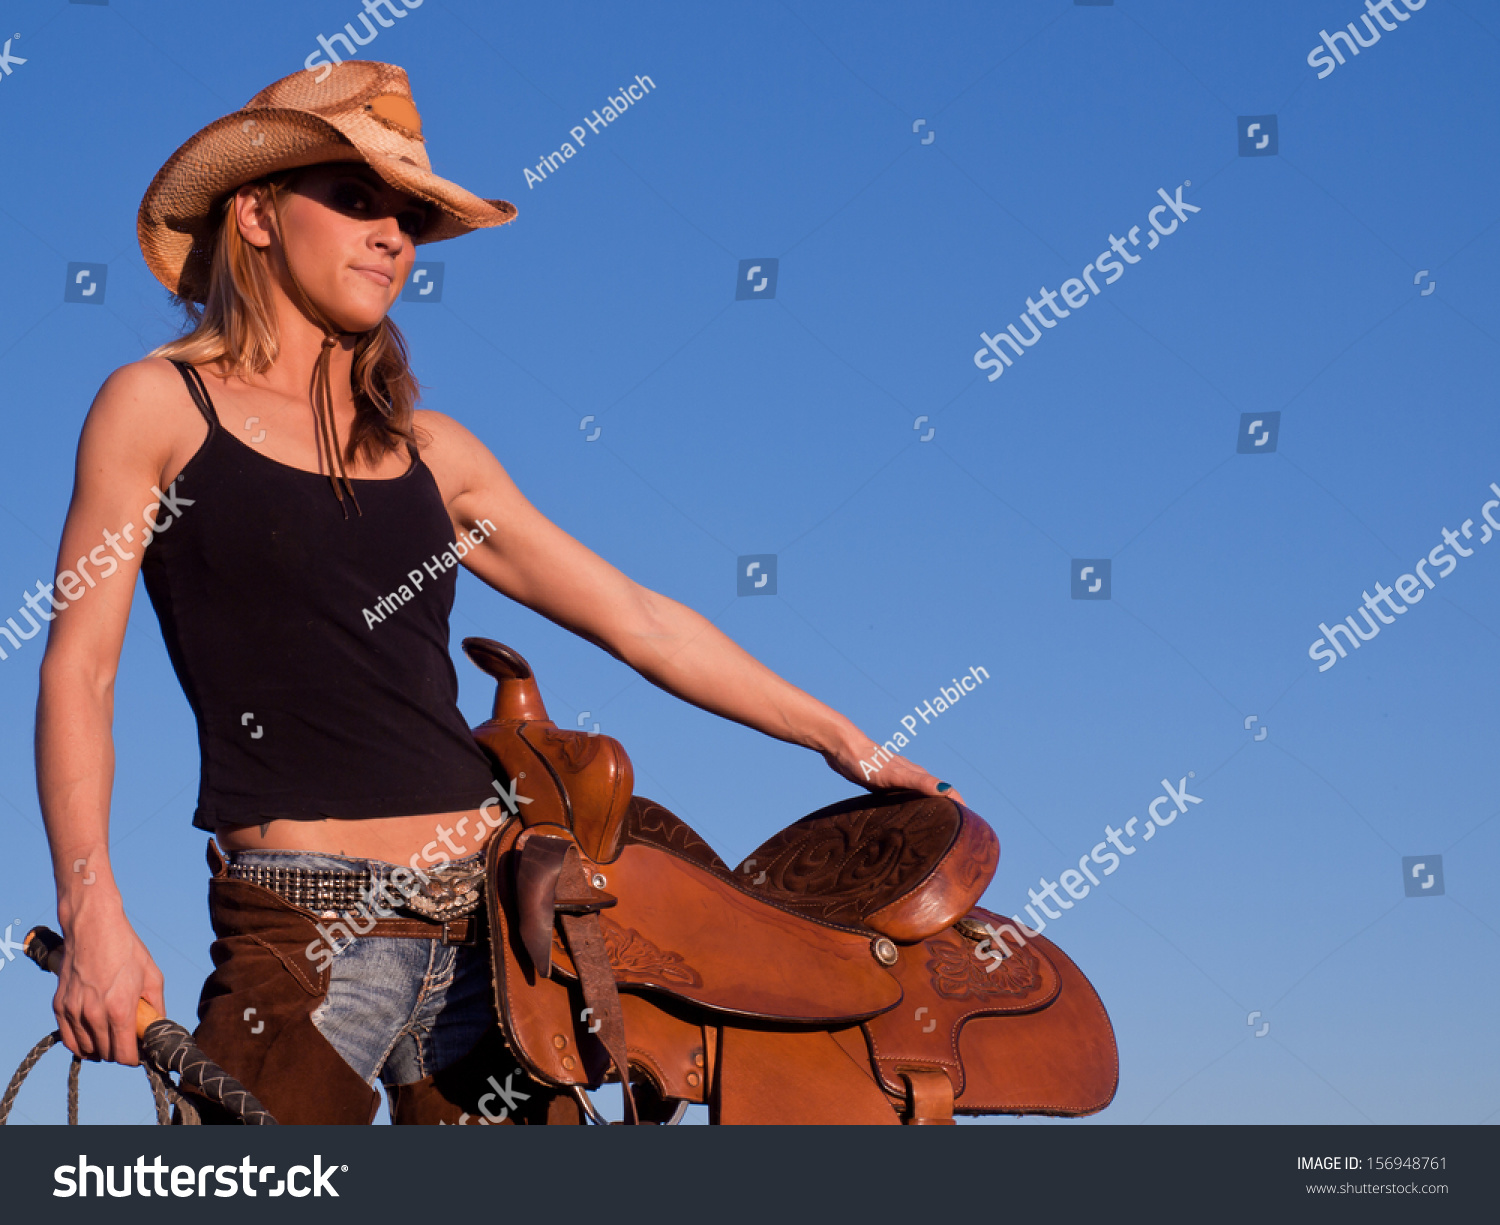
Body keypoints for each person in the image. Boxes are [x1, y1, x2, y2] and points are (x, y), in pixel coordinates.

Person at [34, 61, 962, 1124]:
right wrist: (91, 905)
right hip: (300, 932)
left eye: (407, 216)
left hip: (497, 934)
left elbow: (639, 618)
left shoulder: (433, 454)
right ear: (254, 213)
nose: (390, 234)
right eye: (354, 199)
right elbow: (80, 668)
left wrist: (841, 738)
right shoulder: (159, 407)